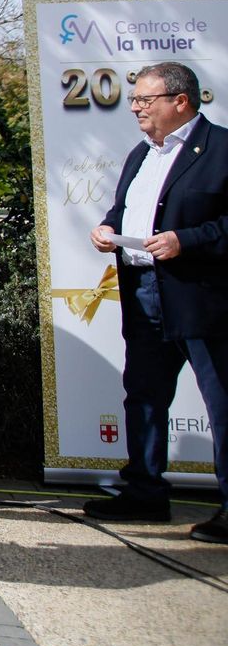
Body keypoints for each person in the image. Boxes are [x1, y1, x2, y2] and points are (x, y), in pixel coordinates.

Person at [85, 62, 228, 544]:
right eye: (135, 100)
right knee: (144, 395)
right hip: (143, 293)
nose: (136, 108)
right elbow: (125, 210)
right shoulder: (140, 154)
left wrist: (185, 240)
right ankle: (144, 491)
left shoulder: (223, 149)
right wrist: (107, 228)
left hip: (201, 299)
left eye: (146, 100)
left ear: (180, 101)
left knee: (222, 402)